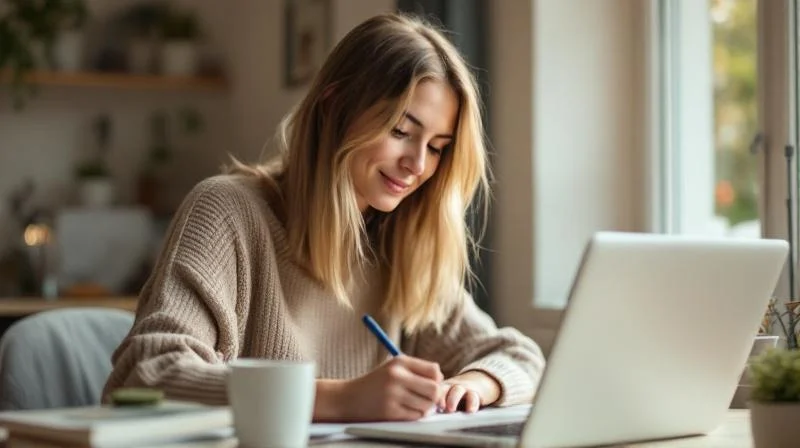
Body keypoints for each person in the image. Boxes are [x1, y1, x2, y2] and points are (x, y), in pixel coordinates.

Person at [103, 13, 546, 422]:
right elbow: (147, 371)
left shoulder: (397, 241)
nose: (417, 165)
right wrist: (342, 399)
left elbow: (519, 356)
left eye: (436, 147)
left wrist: (474, 384)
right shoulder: (227, 212)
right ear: (334, 107)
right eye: (401, 132)